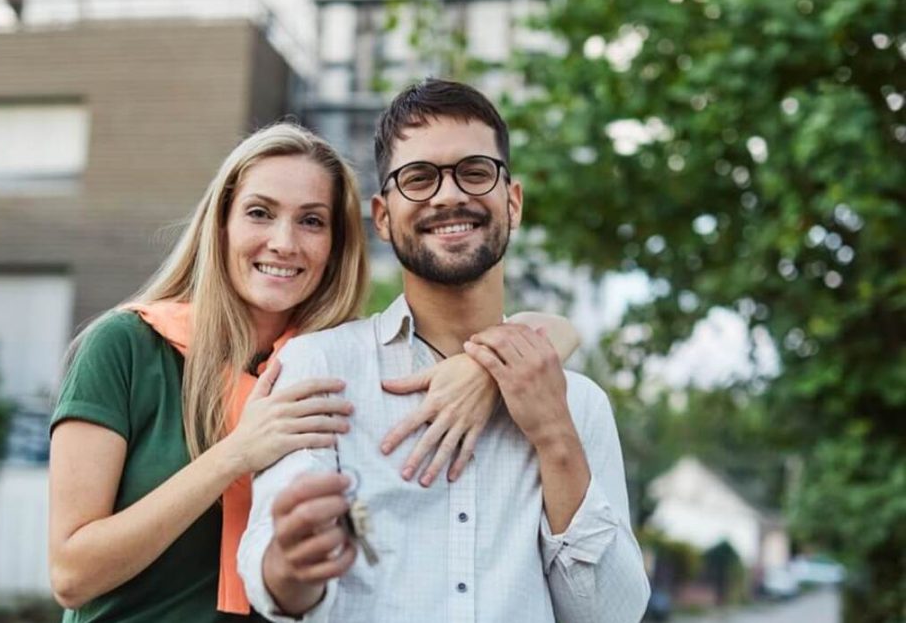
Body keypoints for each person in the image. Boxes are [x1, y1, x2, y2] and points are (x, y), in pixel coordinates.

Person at [47, 122, 580, 622]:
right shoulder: (126, 348)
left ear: (335, 246)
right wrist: (236, 452)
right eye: (260, 213)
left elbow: (553, 331)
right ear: (222, 223)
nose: (284, 242)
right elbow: (72, 575)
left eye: (311, 221)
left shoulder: (329, 364)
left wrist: (482, 370)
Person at [239, 80, 651, 622]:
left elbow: (609, 615)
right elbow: (277, 580)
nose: (449, 195)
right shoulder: (320, 368)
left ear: (514, 201)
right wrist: (292, 565)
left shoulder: (581, 405)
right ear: (382, 217)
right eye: (419, 178)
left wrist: (554, 435)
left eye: (475, 172)